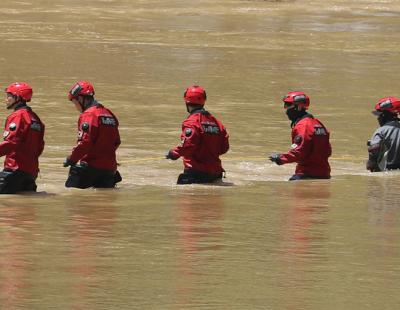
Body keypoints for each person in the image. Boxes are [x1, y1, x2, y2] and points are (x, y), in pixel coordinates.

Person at [166, 85, 229, 184]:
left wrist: (173, 154)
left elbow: (188, 145)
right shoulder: (217, 123)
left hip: (195, 174)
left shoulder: (191, 122)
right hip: (216, 174)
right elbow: (224, 148)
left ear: (187, 102)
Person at [63, 81, 122, 188]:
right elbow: (117, 141)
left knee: (72, 199)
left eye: (74, 102)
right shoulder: (109, 114)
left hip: (90, 169)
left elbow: (85, 142)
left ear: (81, 99)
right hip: (109, 170)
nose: (75, 106)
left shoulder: (89, 114)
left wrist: (71, 159)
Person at [269, 91, 331, 181]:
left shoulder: (303, 126)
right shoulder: (318, 124)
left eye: (288, 104)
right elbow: (328, 151)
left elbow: (299, 152)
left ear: (299, 107)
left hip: (306, 174)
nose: (285, 108)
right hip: (324, 174)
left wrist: (280, 158)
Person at [0, 82, 45, 193]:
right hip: (31, 173)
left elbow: (11, 143)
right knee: (24, 209)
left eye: (9, 96)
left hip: (14, 170)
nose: (6, 99)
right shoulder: (35, 118)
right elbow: (40, 146)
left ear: (17, 97)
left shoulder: (17, 116)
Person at [366, 96, 400, 172]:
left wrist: (370, 165)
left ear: (384, 115)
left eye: (379, 115)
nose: (378, 118)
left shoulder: (381, 131)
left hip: (387, 172)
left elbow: (374, 149)